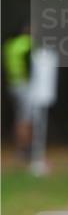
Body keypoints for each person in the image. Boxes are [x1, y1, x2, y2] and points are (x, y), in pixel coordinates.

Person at [3, 24, 33, 160]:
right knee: (25, 118)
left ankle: (20, 146)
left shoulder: (10, 45)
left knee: (19, 117)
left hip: (13, 83)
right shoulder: (27, 44)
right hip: (24, 84)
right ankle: (25, 147)